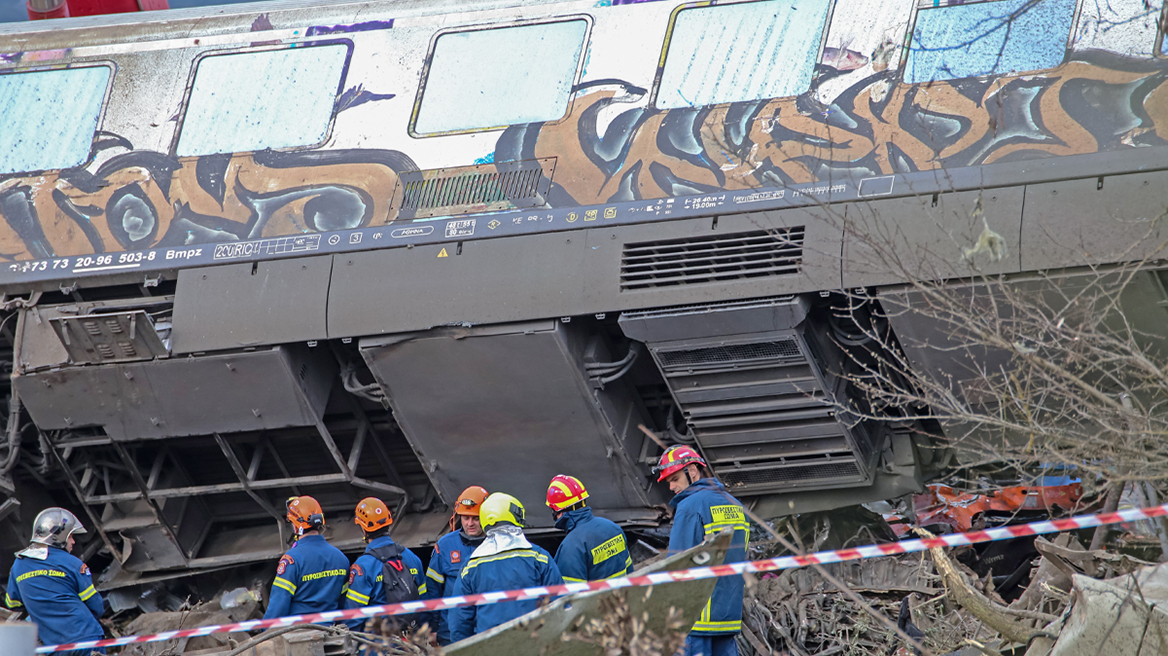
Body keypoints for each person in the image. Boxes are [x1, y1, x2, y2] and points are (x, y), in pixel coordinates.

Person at [654, 445, 749, 656]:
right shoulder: (735, 505)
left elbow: (677, 563)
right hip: (728, 614)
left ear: (693, 471)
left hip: (695, 617)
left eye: (675, 478)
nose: (671, 487)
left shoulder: (690, 506)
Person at [448, 493, 562, 642]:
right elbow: (559, 604)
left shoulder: (471, 566)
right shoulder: (539, 557)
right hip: (534, 643)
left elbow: (459, 619)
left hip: (490, 647)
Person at [5, 508, 105, 655]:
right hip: (86, 639)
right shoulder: (73, 563)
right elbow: (96, 606)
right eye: (71, 536)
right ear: (59, 536)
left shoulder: (18, 565)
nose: (73, 541)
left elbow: (13, 604)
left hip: (55, 646)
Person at [342, 497, 428, 634]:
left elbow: (354, 616)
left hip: (378, 645)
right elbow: (424, 602)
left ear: (363, 529)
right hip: (411, 641)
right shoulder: (412, 558)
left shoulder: (362, 567)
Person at [263, 496, 350, 620]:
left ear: (295, 525)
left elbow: (279, 605)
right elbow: (343, 602)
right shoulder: (340, 558)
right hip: (332, 631)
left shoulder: (291, 560)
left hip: (298, 633)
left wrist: (263, 630)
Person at [422, 485, 488, 645]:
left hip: (487, 630)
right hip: (450, 632)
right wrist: (433, 628)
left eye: (475, 518)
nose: (470, 523)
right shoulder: (445, 546)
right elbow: (433, 591)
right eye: (465, 518)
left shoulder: (496, 543)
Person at [545, 475, 632, 582]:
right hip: (623, 596)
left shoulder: (571, 547)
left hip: (599, 599)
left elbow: (570, 594)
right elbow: (629, 571)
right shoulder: (614, 528)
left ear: (559, 511)